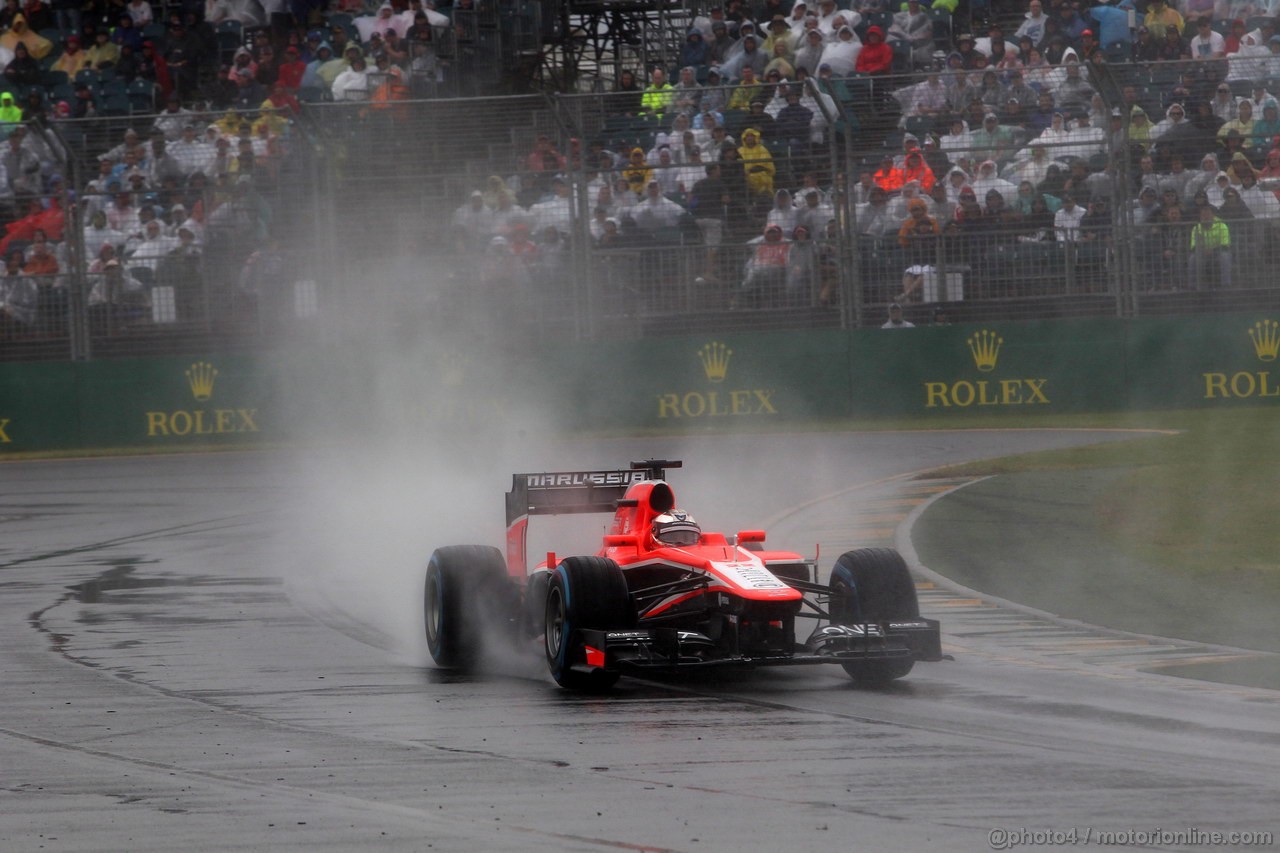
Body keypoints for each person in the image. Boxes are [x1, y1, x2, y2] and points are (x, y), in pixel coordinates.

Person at [897, 198, 939, 302]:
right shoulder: (908, 224)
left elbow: (938, 236)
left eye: (918, 209)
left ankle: (905, 295)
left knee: (924, 275)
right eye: (913, 210)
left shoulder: (932, 221)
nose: (916, 212)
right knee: (909, 274)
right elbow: (902, 240)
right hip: (917, 262)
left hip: (931, 263)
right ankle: (908, 300)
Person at [1187, 204, 1231, 287]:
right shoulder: (1196, 228)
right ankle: (1192, 286)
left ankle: (1226, 285)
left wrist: (1212, 250)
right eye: (1203, 215)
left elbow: (1225, 245)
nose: (1206, 217)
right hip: (1202, 252)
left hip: (1218, 252)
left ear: (1213, 216)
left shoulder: (1222, 226)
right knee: (1192, 258)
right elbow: (1193, 246)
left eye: (1208, 214)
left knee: (1225, 256)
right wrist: (1203, 250)